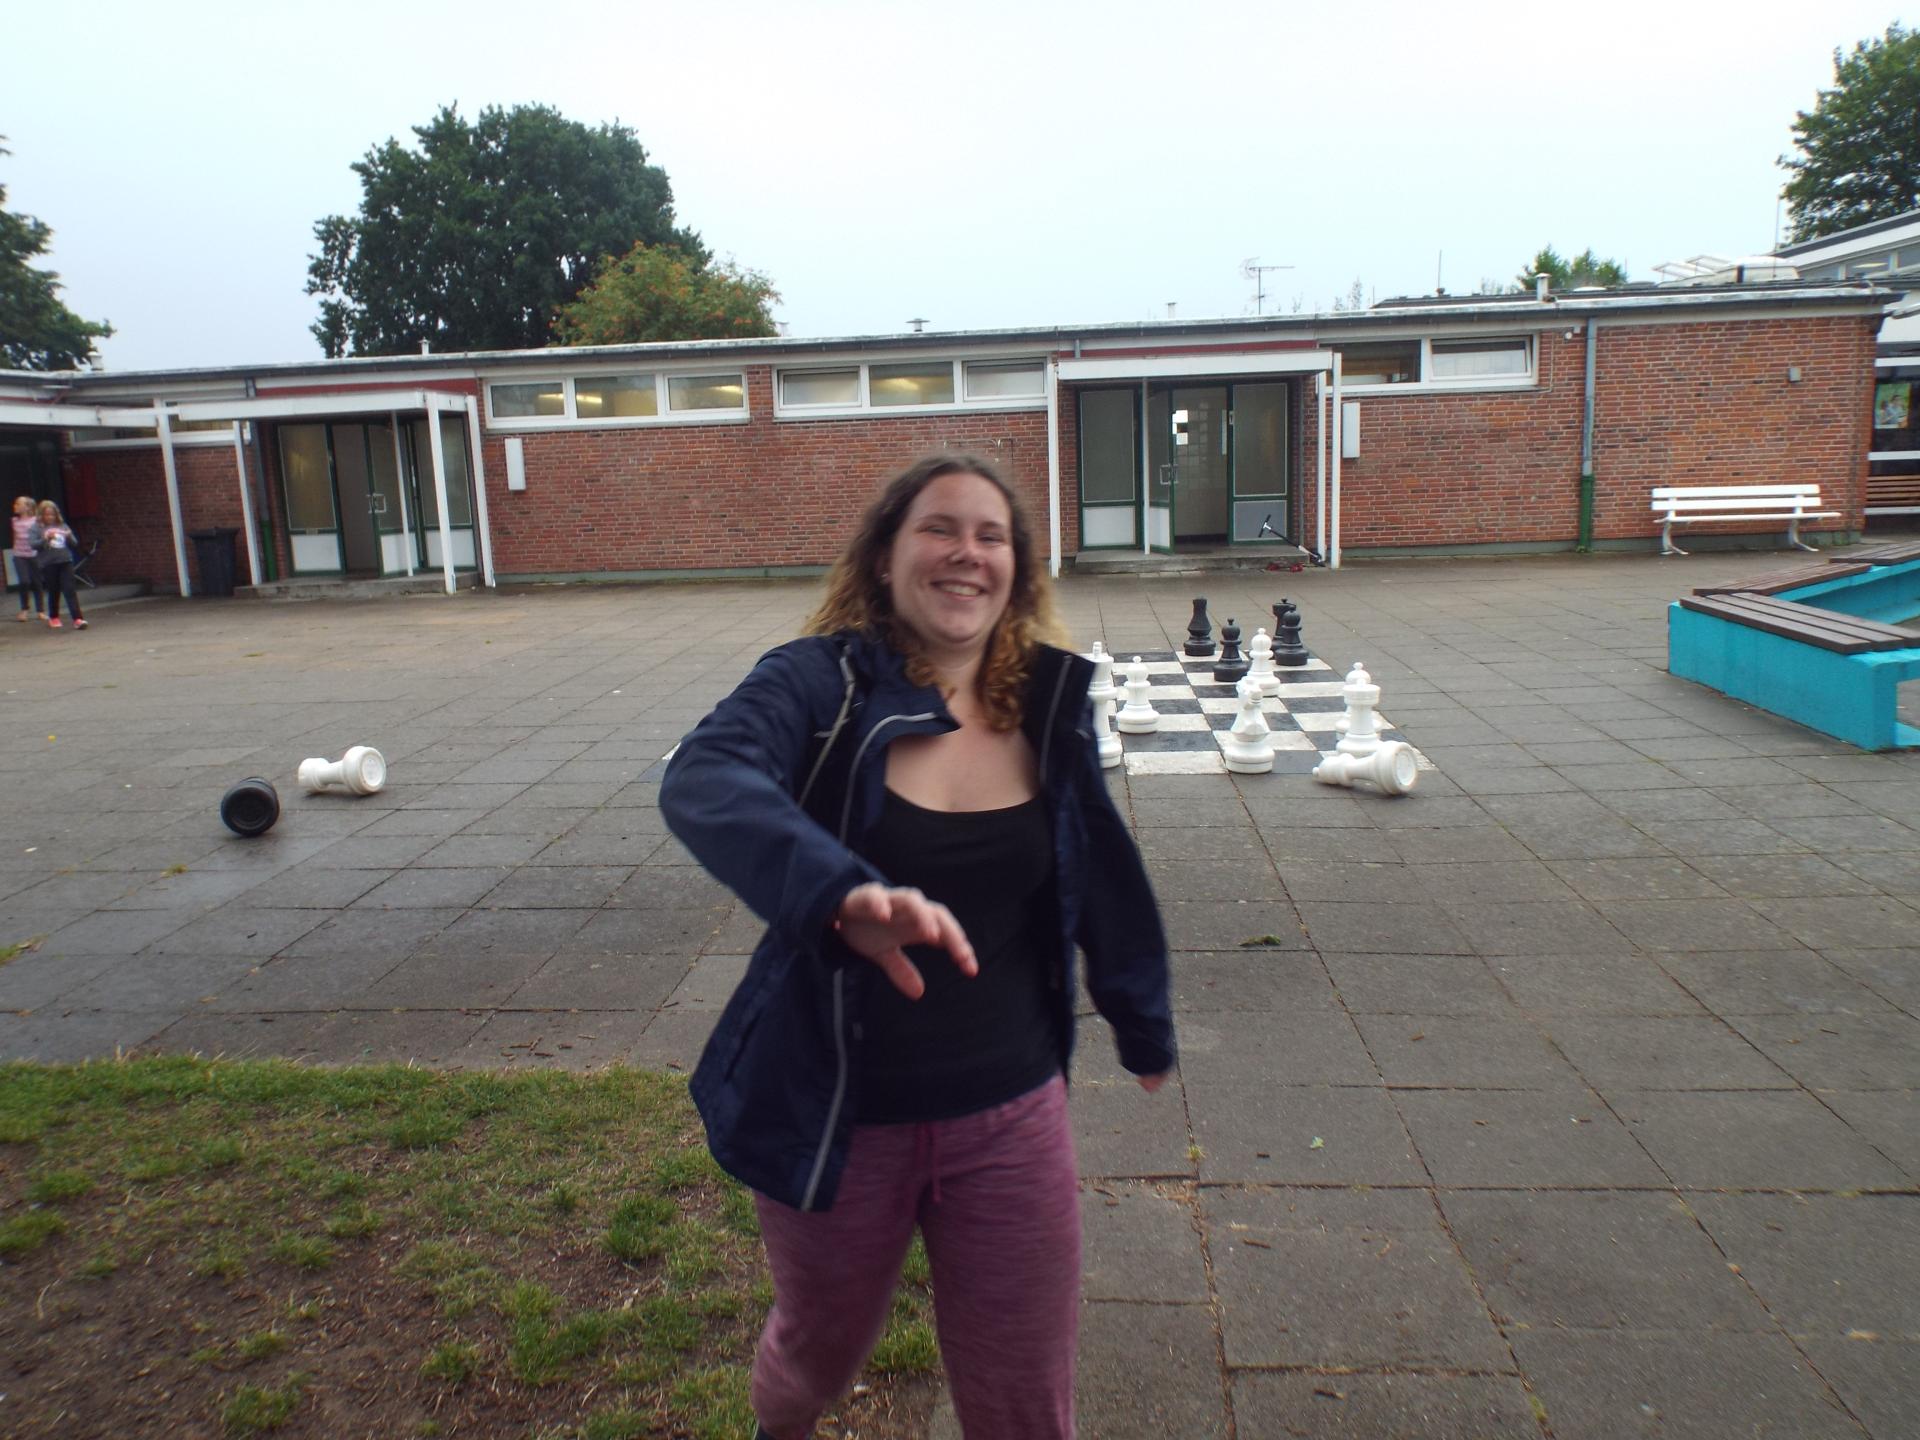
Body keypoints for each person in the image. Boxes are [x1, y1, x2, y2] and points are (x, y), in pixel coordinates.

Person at [660, 452, 1175, 1440]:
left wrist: (1139, 1015)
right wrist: (837, 891)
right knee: (818, 1353)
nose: (967, 553)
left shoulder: (1046, 706)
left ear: (1017, 569)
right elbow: (705, 774)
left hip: (1011, 1112)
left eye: (991, 536)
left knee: (1025, 1395)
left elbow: (1100, 864)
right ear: (885, 557)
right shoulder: (819, 685)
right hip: (837, 1112)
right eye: (939, 528)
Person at [30, 500, 86, 630]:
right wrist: (45, 538)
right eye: (47, 514)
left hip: (65, 560)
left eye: (52, 514)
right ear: (41, 515)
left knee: (69, 589)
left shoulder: (62, 525)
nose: (50, 517)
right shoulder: (36, 527)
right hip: (48, 563)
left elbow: (74, 543)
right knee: (54, 590)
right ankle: (54, 617)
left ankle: (77, 619)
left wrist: (69, 535)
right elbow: (33, 544)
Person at [10, 496, 44, 623]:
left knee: (37, 582)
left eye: (18, 504)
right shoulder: (14, 521)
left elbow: (41, 537)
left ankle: (40, 610)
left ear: (27, 507)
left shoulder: (36, 521)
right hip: (19, 555)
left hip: (34, 555)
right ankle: (24, 609)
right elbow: (15, 537)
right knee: (24, 581)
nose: (15, 506)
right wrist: (15, 551)